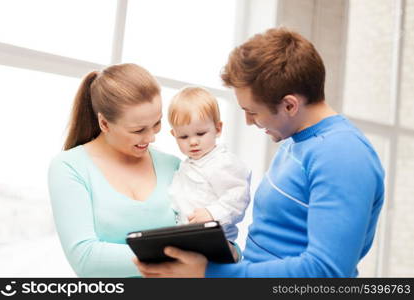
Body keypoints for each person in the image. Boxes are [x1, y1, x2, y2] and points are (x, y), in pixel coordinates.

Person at [134, 27, 385, 277]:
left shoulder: (343, 156)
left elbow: (325, 272)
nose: (248, 121)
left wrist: (210, 274)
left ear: (289, 105)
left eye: (252, 111)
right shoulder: (295, 142)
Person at [48, 63, 181, 277]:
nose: (151, 137)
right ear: (104, 123)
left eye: (157, 124)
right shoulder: (69, 167)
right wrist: (175, 255)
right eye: (138, 130)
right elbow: (86, 259)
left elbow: (211, 236)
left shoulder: (173, 166)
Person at [167, 87, 251, 242]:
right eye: (183, 136)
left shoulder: (223, 162)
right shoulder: (185, 165)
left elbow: (238, 197)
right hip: (187, 237)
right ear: (174, 135)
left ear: (218, 129)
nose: (193, 142)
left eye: (200, 134)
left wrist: (212, 214)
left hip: (216, 240)